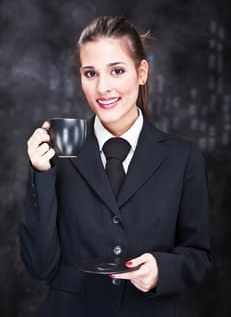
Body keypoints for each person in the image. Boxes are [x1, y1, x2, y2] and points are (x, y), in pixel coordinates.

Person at [19, 16, 212, 317]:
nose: (103, 87)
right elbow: (40, 266)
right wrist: (41, 174)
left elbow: (198, 254)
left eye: (117, 71)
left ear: (142, 72)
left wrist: (162, 270)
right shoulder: (59, 150)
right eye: (90, 73)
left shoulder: (182, 157)